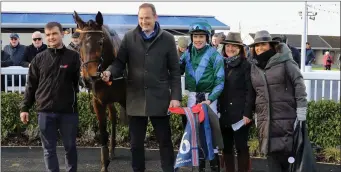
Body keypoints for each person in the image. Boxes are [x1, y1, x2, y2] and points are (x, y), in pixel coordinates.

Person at [101, 3, 182, 172]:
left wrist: (175, 97)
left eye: (147, 18)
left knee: (165, 142)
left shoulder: (167, 39)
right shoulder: (129, 37)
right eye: (141, 18)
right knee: (136, 145)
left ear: (155, 17)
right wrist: (109, 72)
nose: (144, 21)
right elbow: (119, 63)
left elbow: (174, 71)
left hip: (160, 99)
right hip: (135, 99)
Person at [19, 22, 81, 172]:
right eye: (48, 35)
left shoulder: (73, 57)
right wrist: (24, 107)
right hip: (45, 112)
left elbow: (80, 82)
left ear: (62, 34)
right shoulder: (39, 59)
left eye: (54, 33)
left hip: (68, 112)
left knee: (70, 148)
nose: (51, 37)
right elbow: (31, 86)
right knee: (49, 150)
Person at [249, 30, 308, 172]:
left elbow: (299, 84)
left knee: (289, 162)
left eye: (263, 44)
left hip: (286, 119)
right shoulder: (254, 66)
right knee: (272, 161)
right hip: (265, 121)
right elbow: (254, 92)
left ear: (270, 45)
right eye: (257, 45)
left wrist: (301, 111)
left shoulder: (285, 61)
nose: (259, 48)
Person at [179, 21, 225, 172]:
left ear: (207, 37)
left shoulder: (215, 56)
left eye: (201, 36)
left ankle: (214, 167)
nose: (198, 40)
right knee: (195, 134)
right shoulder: (186, 55)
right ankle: (198, 168)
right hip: (193, 98)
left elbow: (220, 81)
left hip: (209, 99)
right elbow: (175, 71)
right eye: (195, 36)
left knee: (210, 135)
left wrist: (210, 99)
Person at [217, 32, 254, 172]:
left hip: (240, 115)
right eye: (228, 45)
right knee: (226, 147)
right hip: (223, 113)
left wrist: (247, 113)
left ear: (240, 48)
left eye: (234, 46)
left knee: (241, 146)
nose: (230, 48)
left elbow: (250, 91)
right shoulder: (220, 64)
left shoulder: (246, 65)